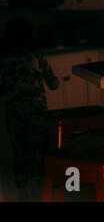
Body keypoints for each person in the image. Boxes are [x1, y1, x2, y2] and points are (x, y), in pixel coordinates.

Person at [0, 17, 59, 201]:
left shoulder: (4, 63)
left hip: (15, 113)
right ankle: (40, 191)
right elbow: (54, 84)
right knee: (37, 151)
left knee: (19, 153)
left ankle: (21, 192)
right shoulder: (39, 59)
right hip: (36, 113)